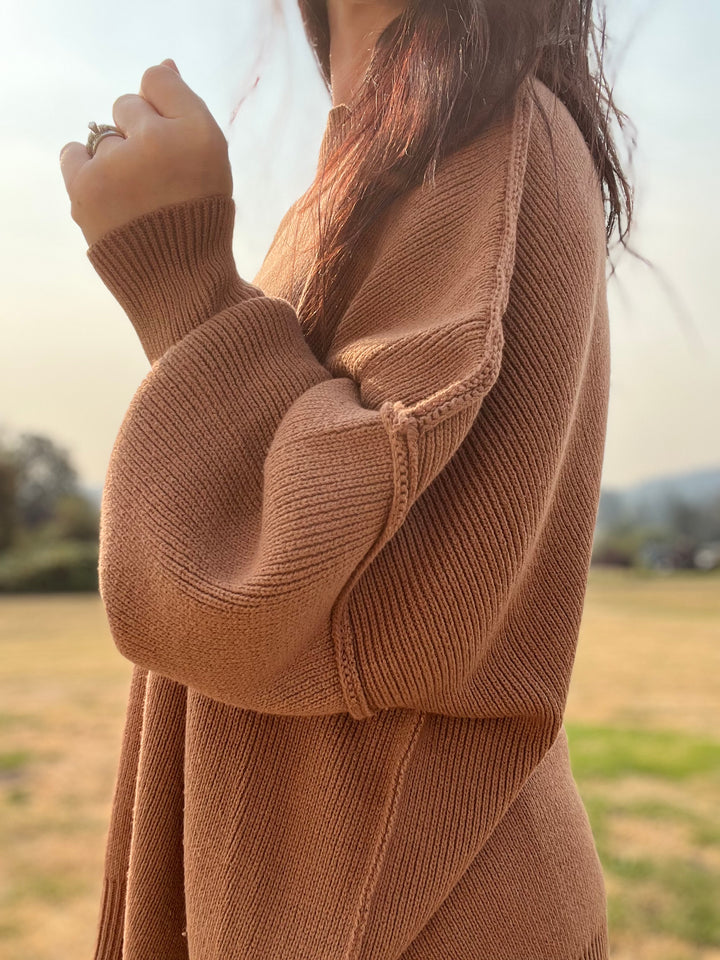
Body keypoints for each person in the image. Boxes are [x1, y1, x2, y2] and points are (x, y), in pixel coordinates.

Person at [59, 1, 633, 957]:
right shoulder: (384, 161)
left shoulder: (489, 133)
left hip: (407, 911)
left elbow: (322, 588)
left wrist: (186, 282)